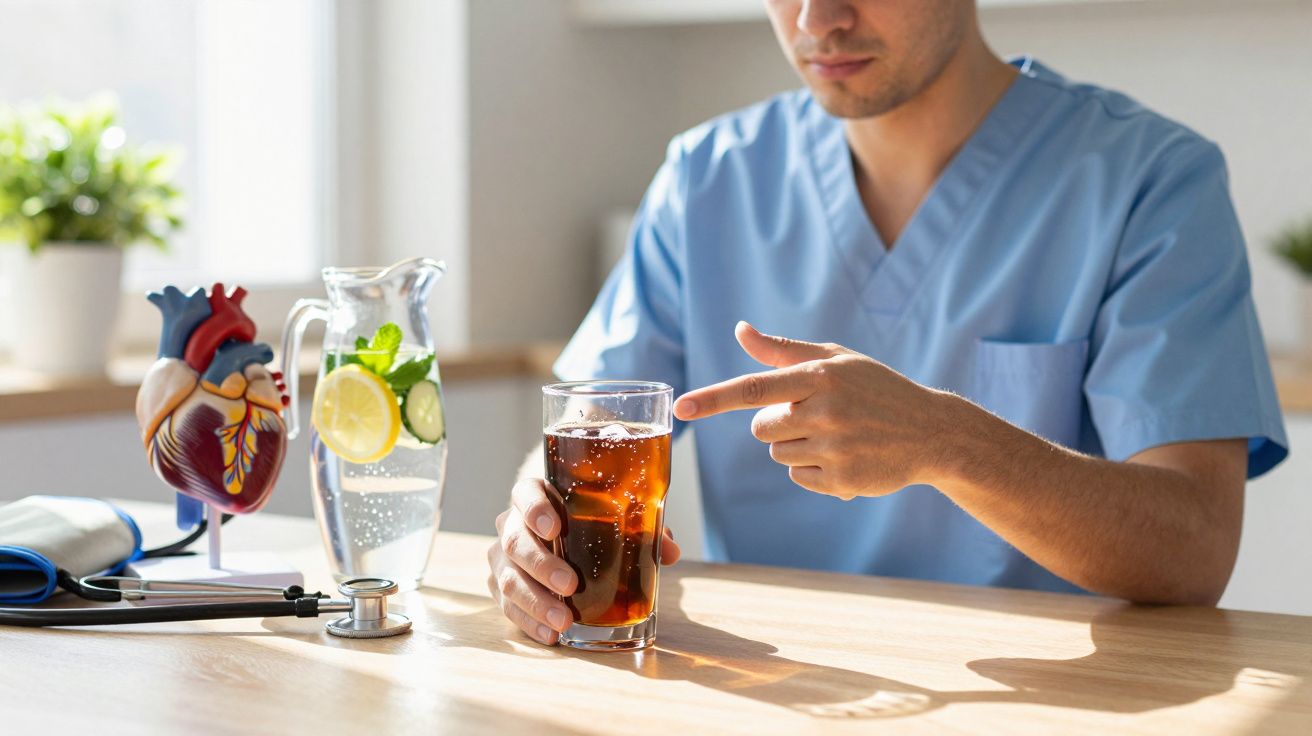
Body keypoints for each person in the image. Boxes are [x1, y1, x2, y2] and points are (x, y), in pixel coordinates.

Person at [487, 0, 1289, 646]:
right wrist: (537, 525)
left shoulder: (1150, 183)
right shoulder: (706, 180)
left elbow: (1195, 548)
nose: (816, 19)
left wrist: (947, 440)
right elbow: (592, 423)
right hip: (775, 694)